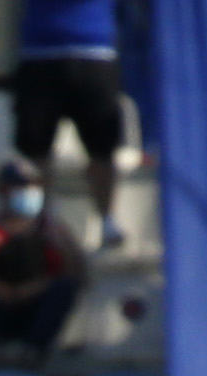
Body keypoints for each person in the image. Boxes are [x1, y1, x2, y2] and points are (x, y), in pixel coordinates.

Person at [11, 0, 127, 252]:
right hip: (39, 54)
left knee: (102, 147)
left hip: (94, 53)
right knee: (35, 147)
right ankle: (42, 219)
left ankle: (106, 219)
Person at [0, 157, 81, 363]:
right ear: (3, 190)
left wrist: (33, 288)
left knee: (64, 287)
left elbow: (75, 273)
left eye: (32, 186)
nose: (27, 192)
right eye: (20, 186)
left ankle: (34, 349)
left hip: (34, 307)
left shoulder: (51, 229)